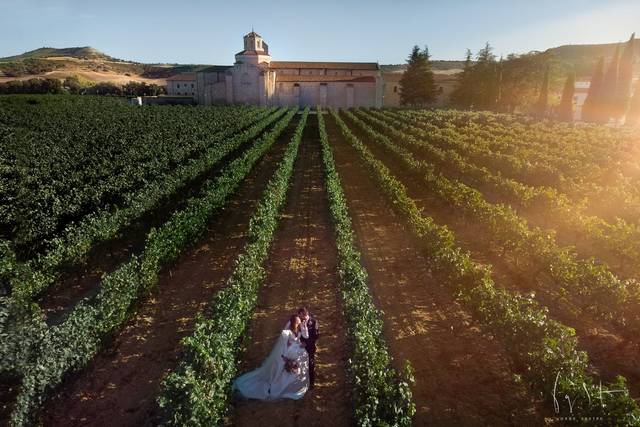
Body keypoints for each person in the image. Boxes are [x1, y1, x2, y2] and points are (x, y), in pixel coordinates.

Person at [233, 315, 309, 400]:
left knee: (302, 359)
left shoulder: (298, 329)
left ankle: (293, 385)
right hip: (287, 353)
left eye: (299, 321)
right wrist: (284, 357)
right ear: (294, 323)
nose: (299, 323)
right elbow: (282, 345)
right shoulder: (287, 332)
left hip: (295, 350)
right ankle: (276, 388)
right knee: (281, 372)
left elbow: (304, 337)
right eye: (297, 321)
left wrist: (302, 337)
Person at [297, 307, 319, 388]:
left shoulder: (314, 322)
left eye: (301, 316)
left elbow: (315, 336)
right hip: (301, 347)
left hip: (310, 347)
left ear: (305, 314)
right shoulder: (300, 322)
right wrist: (300, 342)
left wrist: (306, 343)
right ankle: (302, 382)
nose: (300, 318)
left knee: (311, 364)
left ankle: (311, 383)